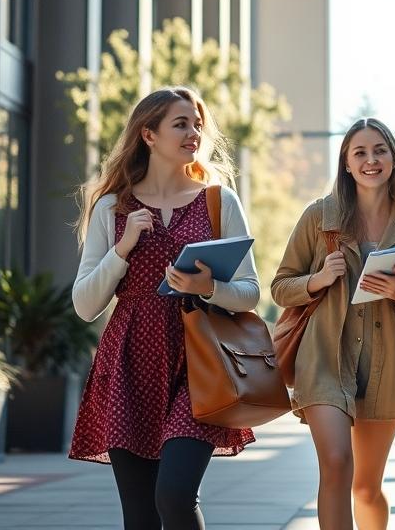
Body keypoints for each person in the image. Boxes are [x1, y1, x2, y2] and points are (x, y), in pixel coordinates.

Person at [68, 87, 261, 530]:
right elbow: (84, 305)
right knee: (139, 515)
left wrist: (206, 285)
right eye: (181, 124)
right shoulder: (112, 207)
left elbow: (250, 291)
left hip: (199, 363)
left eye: (197, 123)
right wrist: (122, 249)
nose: (194, 132)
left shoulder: (219, 201)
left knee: (174, 496)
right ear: (149, 135)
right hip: (128, 366)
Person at [270, 117, 395, 530]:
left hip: (386, 369)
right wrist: (317, 279)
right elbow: (279, 287)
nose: (370, 160)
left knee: (366, 487)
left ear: (394, 159)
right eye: (359, 152)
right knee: (336, 465)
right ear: (346, 163)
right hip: (325, 359)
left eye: (379, 150)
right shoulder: (319, 217)